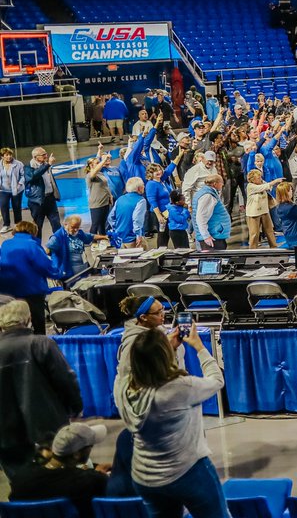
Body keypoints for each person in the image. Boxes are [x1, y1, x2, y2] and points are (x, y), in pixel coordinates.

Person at [116, 324, 227, 518]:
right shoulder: (178, 388)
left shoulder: (124, 388)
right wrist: (199, 347)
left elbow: (129, 370)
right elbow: (216, 380)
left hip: (145, 476)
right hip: (187, 471)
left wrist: (166, 348)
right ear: (164, 357)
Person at [0, 299, 82, 476]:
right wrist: (76, 408)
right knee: (58, 479)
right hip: (47, 427)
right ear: (28, 318)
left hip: (6, 435)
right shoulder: (42, 344)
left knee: (22, 486)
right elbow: (66, 379)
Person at [8, 423, 110, 518]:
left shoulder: (21, 476)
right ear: (76, 454)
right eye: (90, 446)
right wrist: (98, 475)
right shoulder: (90, 481)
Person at [0, 221, 59, 334]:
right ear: (32, 231)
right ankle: (39, 345)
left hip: (8, 290)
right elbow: (44, 266)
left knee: (13, 321)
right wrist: (57, 273)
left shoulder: (6, 244)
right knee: (38, 322)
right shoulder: (32, 245)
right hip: (31, 289)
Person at [46, 215, 104, 280]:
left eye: (77, 227)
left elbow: (90, 236)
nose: (75, 230)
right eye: (73, 227)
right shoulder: (57, 237)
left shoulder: (78, 233)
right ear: (65, 225)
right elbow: (47, 250)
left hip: (82, 270)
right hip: (67, 273)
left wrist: (105, 237)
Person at [24, 147, 62, 241]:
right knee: (37, 226)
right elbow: (34, 176)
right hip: (37, 201)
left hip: (50, 198)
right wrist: (48, 164)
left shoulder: (45, 165)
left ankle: (60, 244)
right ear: (35, 157)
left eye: (46, 153)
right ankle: (37, 248)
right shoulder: (28, 167)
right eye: (43, 155)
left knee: (56, 223)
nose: (46, 156)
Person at [192, 174, 231, 251]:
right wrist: (206, 236)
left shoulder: (209, 192)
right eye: (221, 182)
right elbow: (201, 218)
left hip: (215, 234)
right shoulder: (208, 196)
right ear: (215, 184)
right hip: (212, 238)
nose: (223, 185)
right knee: (213, 261)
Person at [109, 177, 148, 249]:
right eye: (143, 185)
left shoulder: (120, 199)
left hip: (119, 238)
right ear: (138, 188)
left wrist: (116, 229)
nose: (144, 187)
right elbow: (137, 219)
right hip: (133, 238)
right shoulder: (141, 200)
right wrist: (138, 235)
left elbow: (111, 217)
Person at [0, 147, 25, 232]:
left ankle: (18, 225)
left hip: (17, 190)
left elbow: (23, 175)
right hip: (3, 190)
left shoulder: (19, 164)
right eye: (6, 155)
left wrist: (19, 184)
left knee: (16, 207)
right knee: (3, 206)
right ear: (2, 156)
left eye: (10, 154)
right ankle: (6, 225)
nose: (9, 156)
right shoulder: (0, 164)